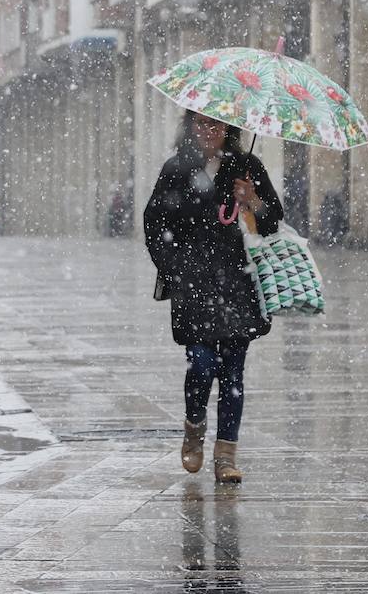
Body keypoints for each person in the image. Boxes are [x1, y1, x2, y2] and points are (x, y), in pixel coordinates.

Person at [143, 110, 283, 483]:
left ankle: (226, 455)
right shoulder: (177, 169)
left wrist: (251, 200)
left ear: (228, 130)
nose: (210, 131)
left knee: (233, 372)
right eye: (203, 124)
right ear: (191, 127)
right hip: (193, 287)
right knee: (202, 365)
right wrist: (173, 266)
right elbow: (154, 224)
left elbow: (273, 222)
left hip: (238, 284)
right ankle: (194, 428)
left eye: (217, 125)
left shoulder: (247, 166)